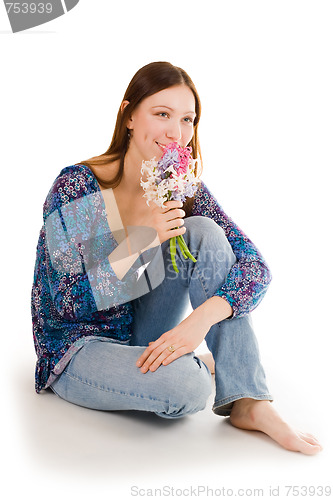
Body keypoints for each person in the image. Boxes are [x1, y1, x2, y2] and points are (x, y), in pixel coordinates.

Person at [31, 61, 322, 455]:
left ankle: (250, 400)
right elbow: (67, 304)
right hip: (78, 348)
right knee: (190, 387)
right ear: (129, 115)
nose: (176, 132)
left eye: (187, 119)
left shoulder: (178, 185)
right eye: (162, 114)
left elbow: (254, 266)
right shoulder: (81, 186)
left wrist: (199, 321)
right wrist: (143, 236)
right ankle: (200, 365)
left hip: (140, 327)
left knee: (204, 232)